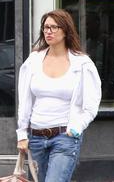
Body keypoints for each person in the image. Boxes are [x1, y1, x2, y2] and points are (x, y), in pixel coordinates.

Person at [16, 9, 101, 182]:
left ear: (66, 30)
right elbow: (24, 100)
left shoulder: (82, 63)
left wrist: (77, 127)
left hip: (65, 137)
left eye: (54, 27)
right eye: (46, 27)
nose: (48, 31)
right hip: (36, 137)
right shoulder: (33, 61)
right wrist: (22, 134)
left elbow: (91, 103)